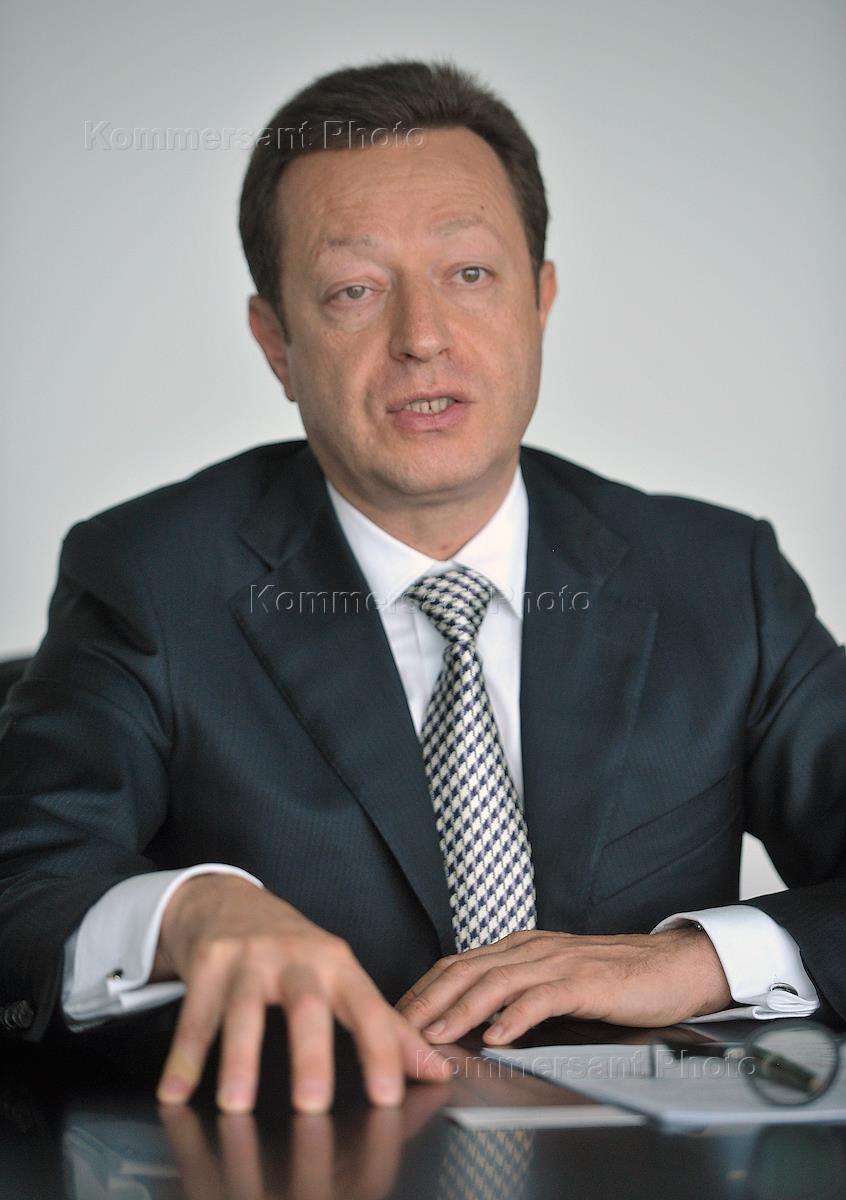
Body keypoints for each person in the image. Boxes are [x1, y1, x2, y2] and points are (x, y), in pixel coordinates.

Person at [0, 60, 844, 1118]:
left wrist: (702, 958)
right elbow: (24, 881)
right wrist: (186, 913)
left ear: (540, 301)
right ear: (277, 343)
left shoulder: (719, 580)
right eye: (354, 290)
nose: (422, 337)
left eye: (470, 274)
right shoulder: (149, 578)